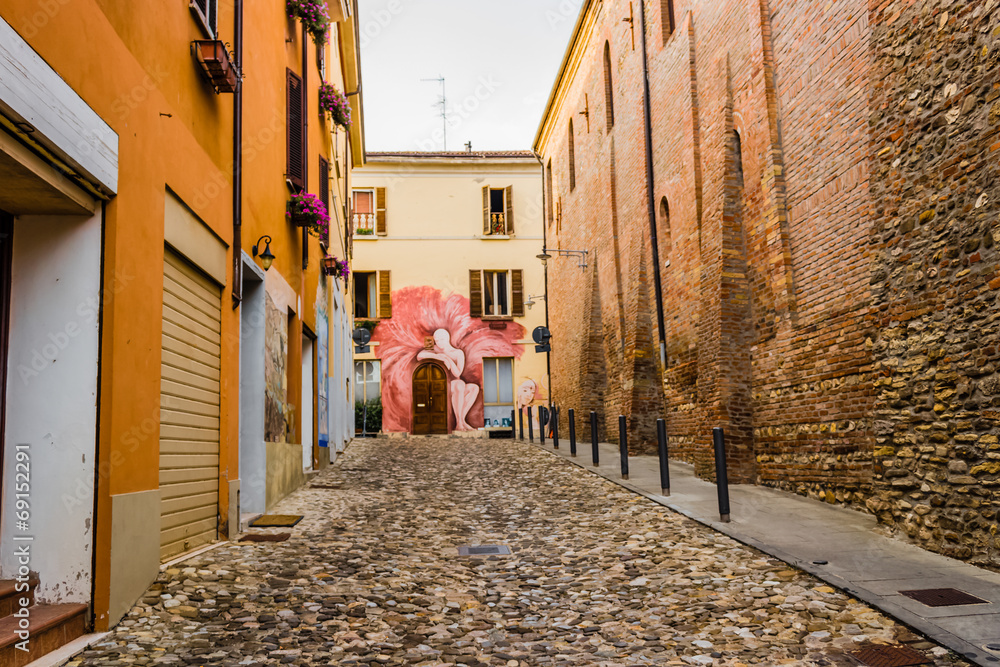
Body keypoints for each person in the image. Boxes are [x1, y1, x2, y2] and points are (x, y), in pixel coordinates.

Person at [417, 329, 479, 431]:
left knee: (473, 388)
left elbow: (457, 373)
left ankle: (462, 420)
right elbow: (420, 356)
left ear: (447, 338)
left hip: (456, 382)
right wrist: (438, 356)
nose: (439, 342)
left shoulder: (457, 353)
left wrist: (448, 359)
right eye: (437, 340)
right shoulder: (435, 349)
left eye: (442, 339)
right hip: (442, 384)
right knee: (459, 385)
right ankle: (459, 424)